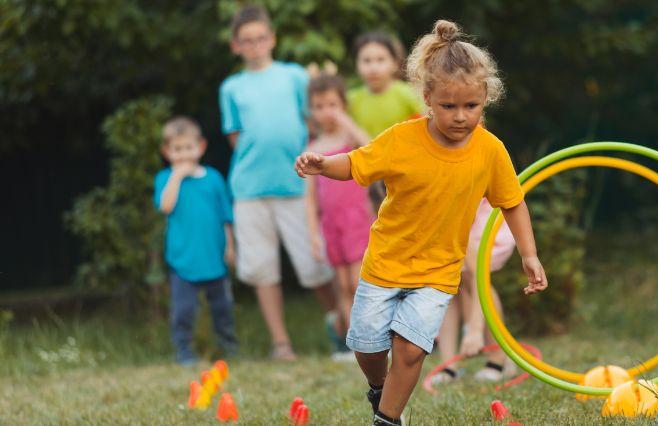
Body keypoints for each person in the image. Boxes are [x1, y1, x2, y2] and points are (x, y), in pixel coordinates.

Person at [295, 20, 549, 426]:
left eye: (472, 106)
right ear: (427, 98)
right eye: (449, 106)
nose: (461, 117)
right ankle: (380, 388)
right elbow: (358, 165)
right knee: (367, 345)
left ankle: (388, 419)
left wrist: (530, 254)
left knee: (412, 349)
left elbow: (513, 202)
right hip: (385, 261)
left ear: (486, 98)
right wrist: (324, 164)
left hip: (438, 269)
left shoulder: (490, 150)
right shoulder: (402, 139)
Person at [219, 4, 335, 361]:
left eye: (260, 38)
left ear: (272, 38)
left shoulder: (294, 76)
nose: (254, 45)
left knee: (314, 264)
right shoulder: (231, 87)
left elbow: (312, 124)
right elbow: (235, 137)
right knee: (261, 268)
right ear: (236, 46)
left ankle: (342, 330)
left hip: (297, 185)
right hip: (250, 190)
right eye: (246, 41)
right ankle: (281, 343)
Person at [154, 117, 238, 365]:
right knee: (183, 311)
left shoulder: (213, 178)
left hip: (214, 256)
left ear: (200, 147)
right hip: (183, 260)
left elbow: (226, 217)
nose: (183, 155)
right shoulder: (165, 179)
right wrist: (177, 177)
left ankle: (228, 346)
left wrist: (231, 247)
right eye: (177, 150)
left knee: (222, 308)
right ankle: (184, 351)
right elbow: (166, 207)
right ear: (166, 152)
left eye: (188, 148)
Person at [304, 72, 373, 361]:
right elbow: (310, 200)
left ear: (343, 104)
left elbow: (372, 149)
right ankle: (350, 343)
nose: (326, 112)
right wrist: (313, 235)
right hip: (331, 225)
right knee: (342, 285)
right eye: (319, 106)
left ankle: (372, 340)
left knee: (360, 283)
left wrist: (348, 122)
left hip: (357, 220)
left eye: (332, 104)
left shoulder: (350, 139)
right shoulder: (312, 148)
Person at [432, 199, 516, 384]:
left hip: (480, 220)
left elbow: (480, 275)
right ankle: (449, 366)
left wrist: (474, 330)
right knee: (448, 283)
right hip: (450, 216)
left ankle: (497, 360)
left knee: (471, 275)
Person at [348, 31, 425, 210]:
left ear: (394, 63)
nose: (373, 67)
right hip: (369, 177)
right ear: (357, 65)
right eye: (366, 61)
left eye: (380, 60)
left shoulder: (406, 94)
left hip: (404, 172)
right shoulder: (352, 99)